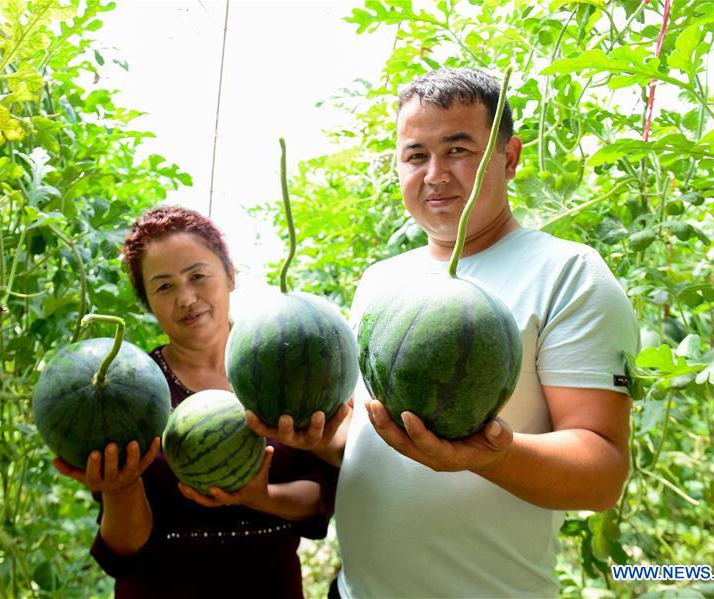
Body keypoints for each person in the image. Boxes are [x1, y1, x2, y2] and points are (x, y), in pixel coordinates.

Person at [248, 67, 639, 598]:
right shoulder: (381, 280)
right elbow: (377, 439)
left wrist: (493, 455)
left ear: (510, 156)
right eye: (415, 155)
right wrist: (322, 438)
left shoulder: (569, 274)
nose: (435, 174)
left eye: (459, 150)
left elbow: (603, 472)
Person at [53, 206, 337, 598]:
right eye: (164, 286)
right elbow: (124, 548)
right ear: (147, 301)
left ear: (231, 275)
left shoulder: (284, 367)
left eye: (198, 276)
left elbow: (321, 497)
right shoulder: (127, 389)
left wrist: (260, 496)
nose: (186, 298)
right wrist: (121, 488)